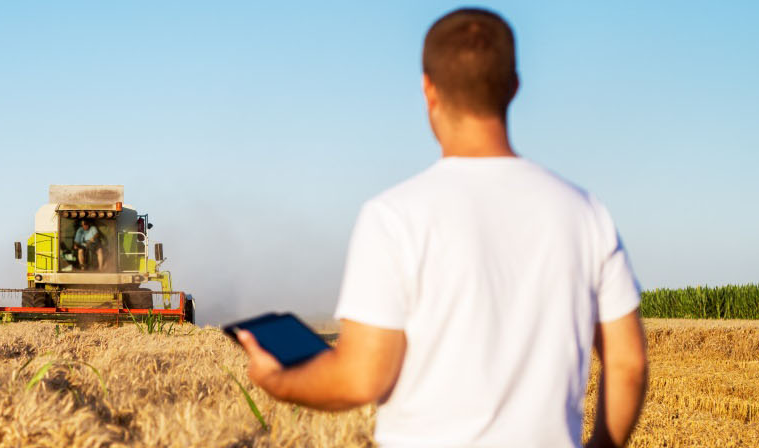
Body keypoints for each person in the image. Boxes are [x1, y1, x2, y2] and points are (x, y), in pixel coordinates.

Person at [235, 8, 648, 448]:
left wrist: (278, 380)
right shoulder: (586, 212)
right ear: (513, 87)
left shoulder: (393, 216)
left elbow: (361, 379)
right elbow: (628, 365)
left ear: (428, 88)